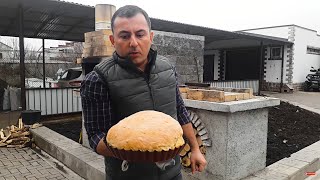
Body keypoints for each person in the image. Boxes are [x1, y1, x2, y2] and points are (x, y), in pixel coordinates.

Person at [80, 5, 207, 180]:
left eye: (140, 34)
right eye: (124, 36)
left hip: (172, 174)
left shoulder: (167, 69)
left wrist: (194, 149)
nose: (133, 42)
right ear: (112, 40)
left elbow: (180, 111)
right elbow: (95, 136)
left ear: (151, 37)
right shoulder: (97, 79)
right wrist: (135, 152)